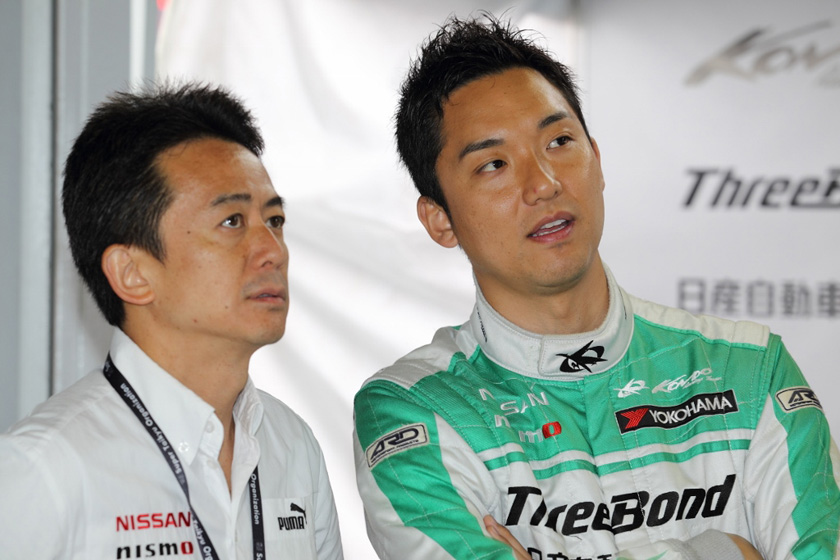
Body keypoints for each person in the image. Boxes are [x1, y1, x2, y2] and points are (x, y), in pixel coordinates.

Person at [353, 15, 840, 560]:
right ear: (440, 219)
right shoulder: (414, 410)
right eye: (494, 164)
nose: (543, 184)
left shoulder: (749, 367)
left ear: (598, 160)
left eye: (559, 141)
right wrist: (723, 551)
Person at [0, 84, 343, 559]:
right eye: (232, 221)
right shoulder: (41, 471)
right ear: (132, 274)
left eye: (275, 220)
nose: (273, 251)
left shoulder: (292, 445)